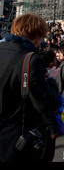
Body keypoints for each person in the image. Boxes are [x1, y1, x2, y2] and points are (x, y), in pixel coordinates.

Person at [0, 13, 60, 162]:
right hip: (15, 137)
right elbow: (44, 103)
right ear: (37, 35)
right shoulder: (30, 59)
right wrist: (51, 82)